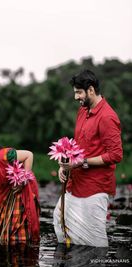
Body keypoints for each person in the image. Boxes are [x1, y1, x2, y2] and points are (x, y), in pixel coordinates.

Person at [54, 69, 123, 247]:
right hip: (75, 182)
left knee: (94, 241)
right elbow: (78, 144)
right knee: (60, 224)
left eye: (79, 92)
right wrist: (65, 165)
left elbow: (116, 155)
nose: (76, 97)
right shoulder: (83, 111)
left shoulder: (107, 117)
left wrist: (83, 162)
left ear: (90, 90)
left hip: (95, 187)